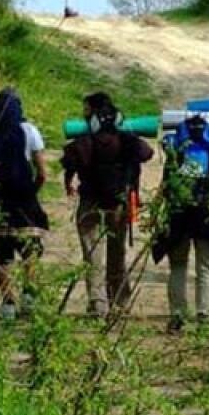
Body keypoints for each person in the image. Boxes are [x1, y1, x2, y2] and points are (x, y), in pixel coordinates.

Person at [61, 92, 154, 318]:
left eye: (85, 109)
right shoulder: (126, 139)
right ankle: (120, 300)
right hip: (118, 203)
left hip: (90, 201)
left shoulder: (85, 140)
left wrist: (68, 182)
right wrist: (128, 135)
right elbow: (147, 153)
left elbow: (69, 160)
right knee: (117, 253)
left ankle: (97, 303)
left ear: (92, 114)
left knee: (92, 254)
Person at [0, 87, 48, 321]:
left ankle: (8, 304)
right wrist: (32, 191)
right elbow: (42, 172)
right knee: (29, 248)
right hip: (23, 198)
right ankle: (30, 296)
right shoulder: (28, 130)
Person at [156, 113, 209, 332]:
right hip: (206, 214)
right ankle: (204, 316)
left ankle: (178, 314)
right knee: (206, 268)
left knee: (178, 266)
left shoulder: (176, 146)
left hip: (178, 213)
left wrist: (156, 213)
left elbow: (166, 184)